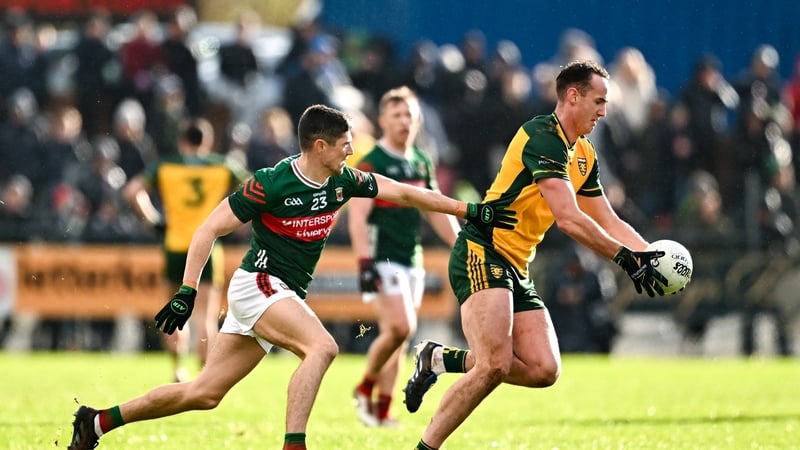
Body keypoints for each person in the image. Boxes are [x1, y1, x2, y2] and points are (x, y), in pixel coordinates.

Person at [68, 104, 516, 450]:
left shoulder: (344, 180)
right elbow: (209, 228)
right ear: (319, 146)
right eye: (344, 143)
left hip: (274, 292)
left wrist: (468, 209)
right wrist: (187, 290)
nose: (350, 150)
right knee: (322, 347)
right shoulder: (271, 182)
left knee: (203, 393)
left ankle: (97, 421)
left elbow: (403, 192)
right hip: (258, 283)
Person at [403, 60, 668, 450]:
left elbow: (608, 219)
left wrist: (649, 256)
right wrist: (627, 261)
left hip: (516, 264)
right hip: (484, 249)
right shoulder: (541, 135)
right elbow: (568, 219)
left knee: (544, 369)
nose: (603, 111)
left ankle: (436, 359)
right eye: (598, 101)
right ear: (572, 96)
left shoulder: (585, 155)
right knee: (493, 365)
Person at [349, 86, 460, 427]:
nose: (403, 121)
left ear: (419, 119)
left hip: (412, 258)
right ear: (382, 120)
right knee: (401, 326)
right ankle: (364, 385)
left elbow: (437, 211)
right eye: (396, 115)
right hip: (382, 259)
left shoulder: (422, 161)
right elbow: (357, 216)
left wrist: (462, 243)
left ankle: (382, 410)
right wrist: (364, 262)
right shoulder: (372, 163)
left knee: (399, 337)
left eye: (409, 114)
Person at [123, 119, 248, 382]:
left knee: (174, 308)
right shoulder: (221, 166)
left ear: (182, 141)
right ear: (208, 142)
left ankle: (178, 369)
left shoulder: (166, 165)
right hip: (208, 246)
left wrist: (153, 220)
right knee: (206, 315)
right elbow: (253, 189)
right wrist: (236, 221)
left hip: (175, 244)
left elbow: (133, 191)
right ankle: (205, 376)